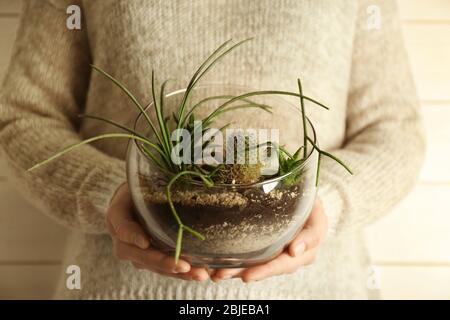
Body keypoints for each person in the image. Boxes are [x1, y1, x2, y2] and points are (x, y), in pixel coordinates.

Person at [0, 0, 424, 299]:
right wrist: (116, 188)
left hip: (320, 288)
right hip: (119, 287)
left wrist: (322, 200)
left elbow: (394, 129)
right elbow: (24, 116)